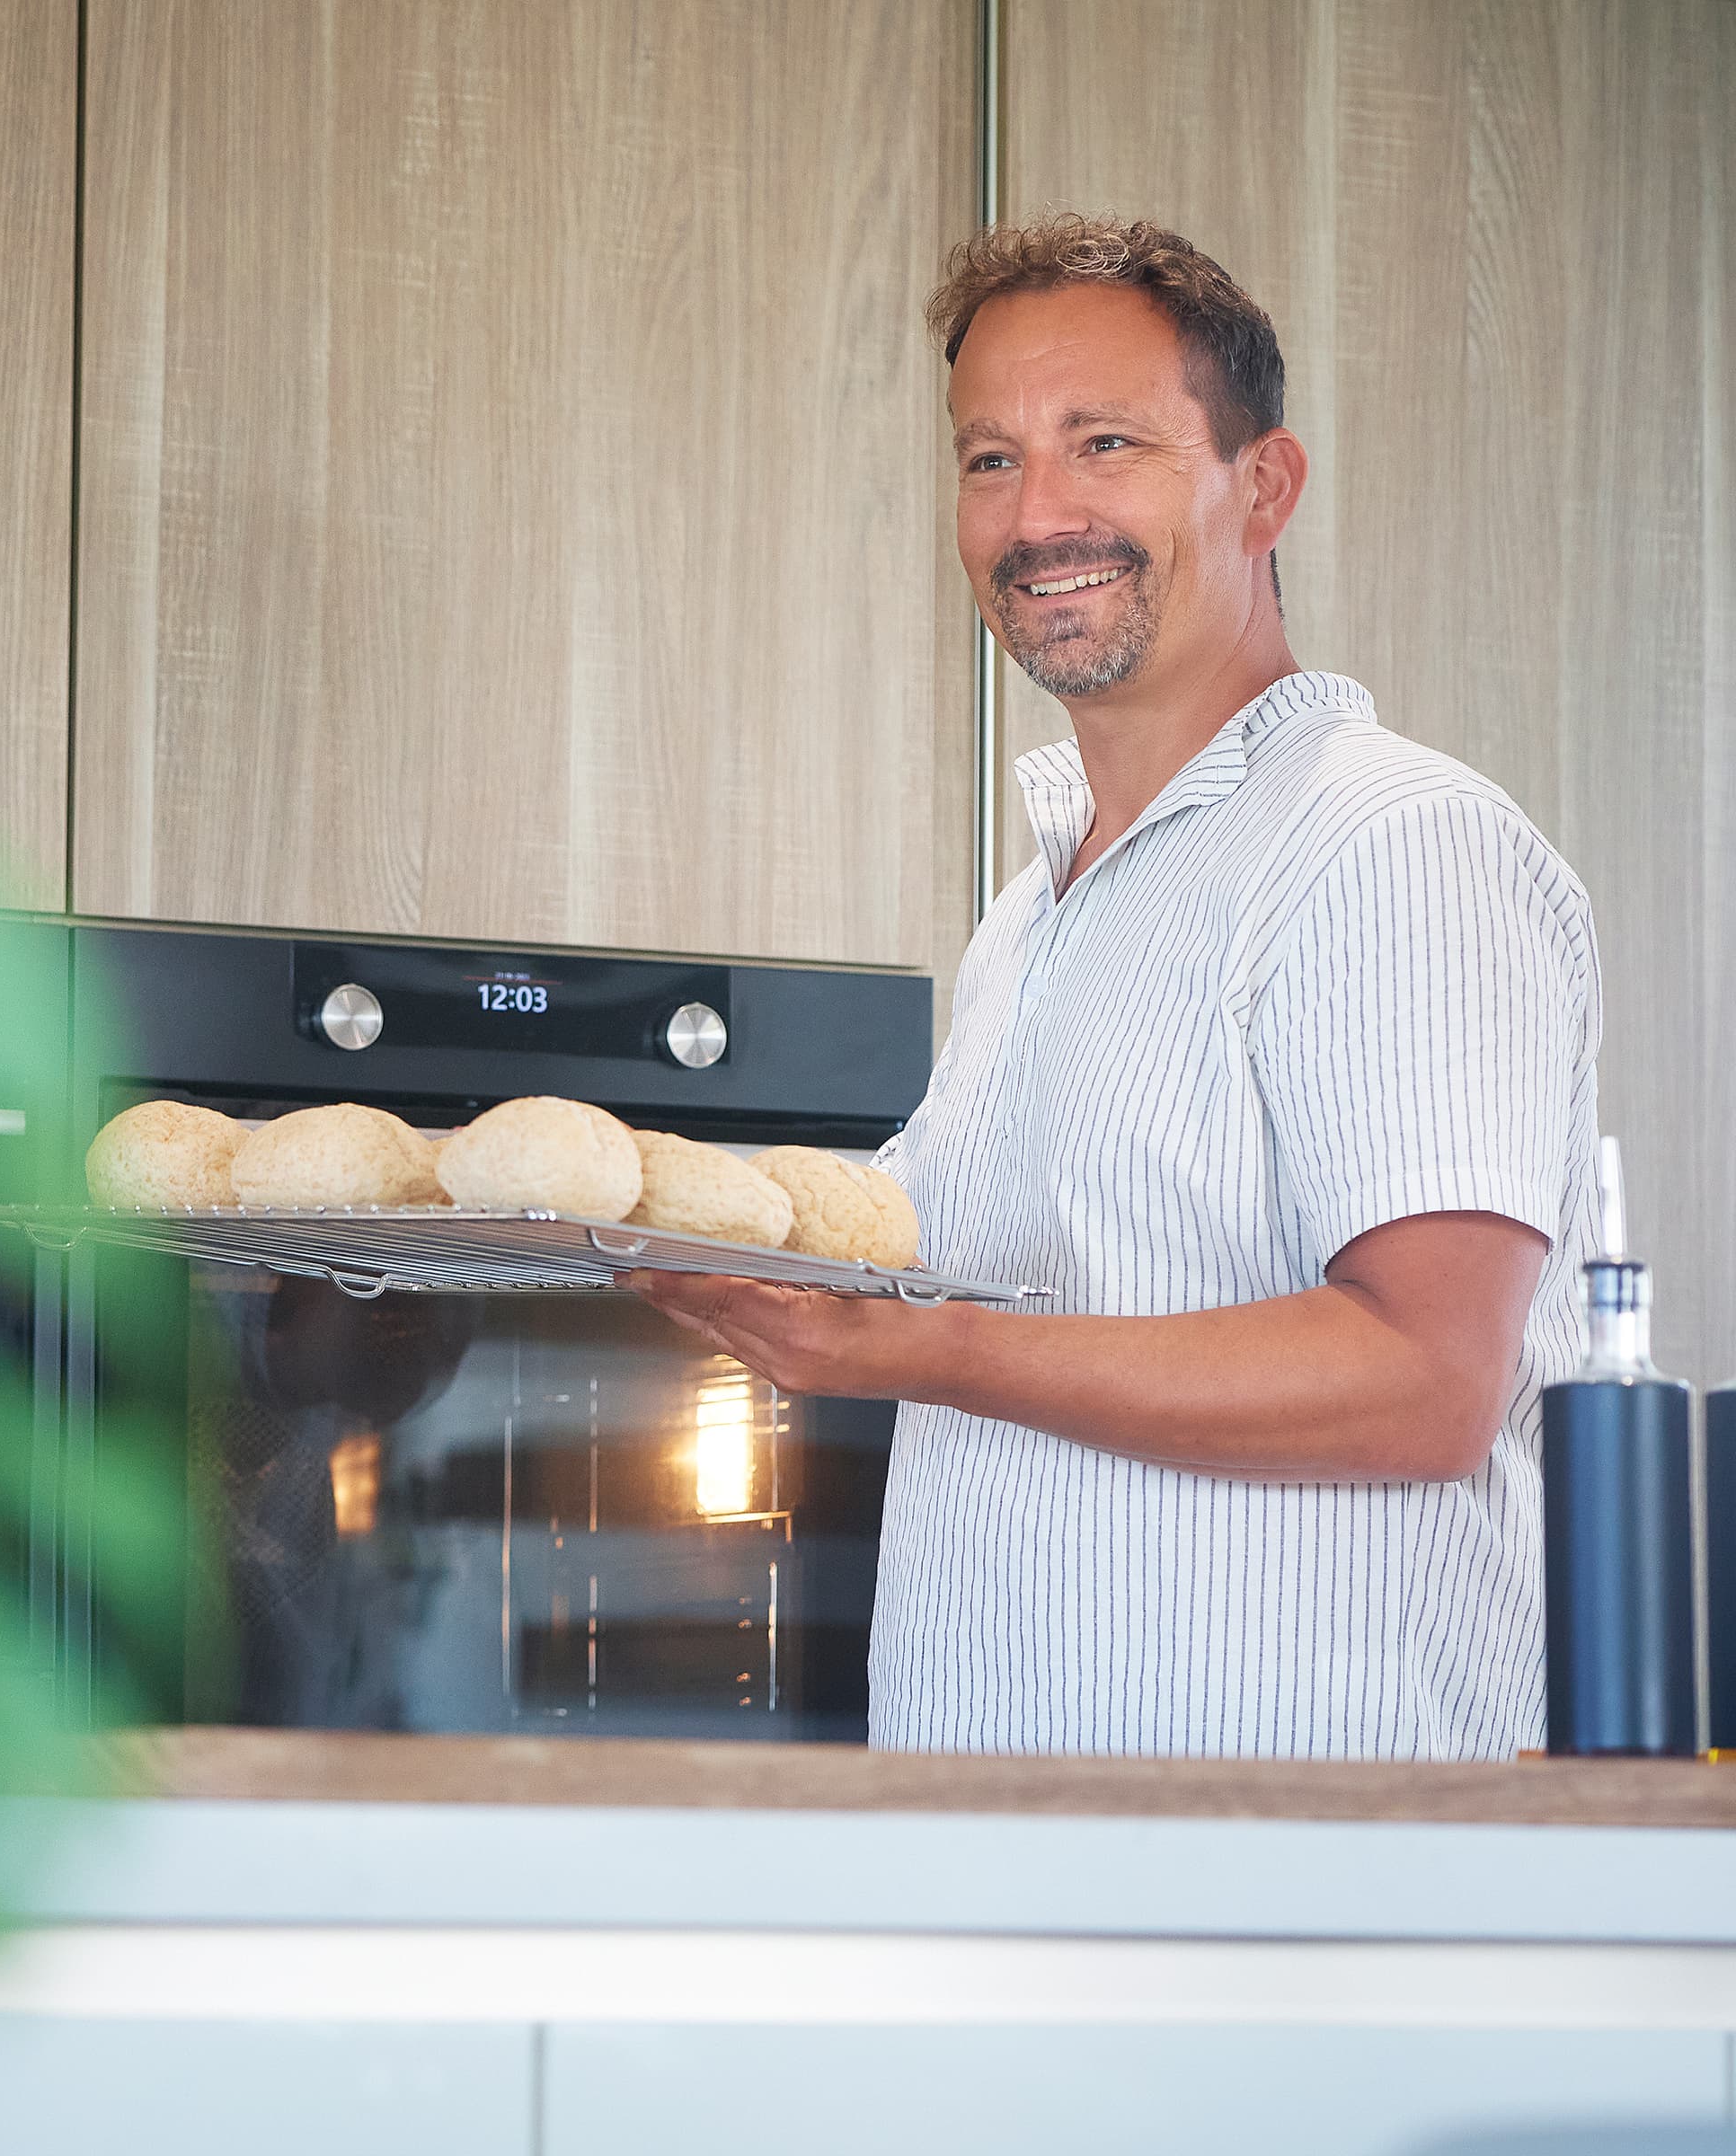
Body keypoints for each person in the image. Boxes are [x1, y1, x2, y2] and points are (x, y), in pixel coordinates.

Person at [631, 214, 1599, 1758]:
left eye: (1106, 445)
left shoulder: (1393, 844)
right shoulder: (1033, 916)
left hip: (1290, 1899)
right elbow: (931, 1267)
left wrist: (921, 1352)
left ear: (1262, 485)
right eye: (990, 460)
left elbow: (1423, 1379)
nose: (1040, 515)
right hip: (1001, 1875)